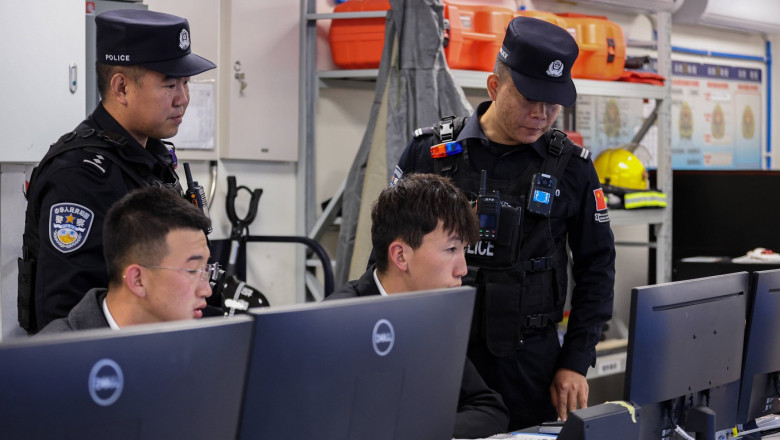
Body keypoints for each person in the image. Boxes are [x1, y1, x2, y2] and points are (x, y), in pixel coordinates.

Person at [394, 16, 616, 429]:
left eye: (553, 104)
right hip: (439, 356)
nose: (542, 114)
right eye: (530, 99)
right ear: (495, 87)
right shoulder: (429, 154)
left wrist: (577, 360)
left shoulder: (573, 169)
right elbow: (387, 260)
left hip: (531, 366)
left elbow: (597, 270)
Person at [19, 9, 216, 333]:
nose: (183, 99)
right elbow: (65, 318)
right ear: (121, 87)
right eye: (169, 85)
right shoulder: (79, 178)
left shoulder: (149, 158)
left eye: (186, 83)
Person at [327, 173, 510, 439]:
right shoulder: (336, 324)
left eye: (464, 250)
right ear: (401, 255)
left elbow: (489, 408)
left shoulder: (433, 316)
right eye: (450, 250)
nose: (463, 269)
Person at [38, 186, 216, 334]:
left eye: (207, 270)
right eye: (192, 270)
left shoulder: (200, 346)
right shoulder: (48, 363)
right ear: (138, 280)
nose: (206, 290)